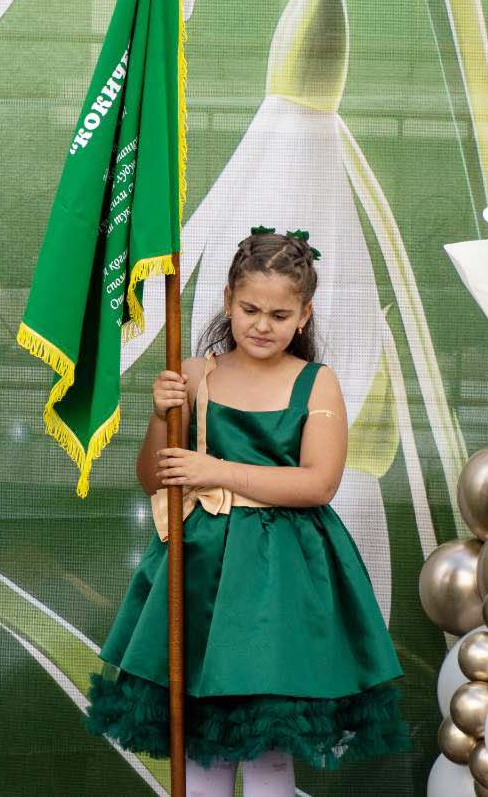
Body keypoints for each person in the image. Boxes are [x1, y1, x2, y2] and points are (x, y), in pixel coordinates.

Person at [85, 227, 408, 796]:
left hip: (282, 582)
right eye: (250, 310)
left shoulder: (317, 383)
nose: (262, 325)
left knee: (268, 744)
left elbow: (318, 484)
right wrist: (162, 415)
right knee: (201, 742)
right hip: (201, 574)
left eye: (279, 315)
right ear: (228, 301)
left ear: (304, 315)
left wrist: (218, 472)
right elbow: (154, 478)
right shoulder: (194, 374)